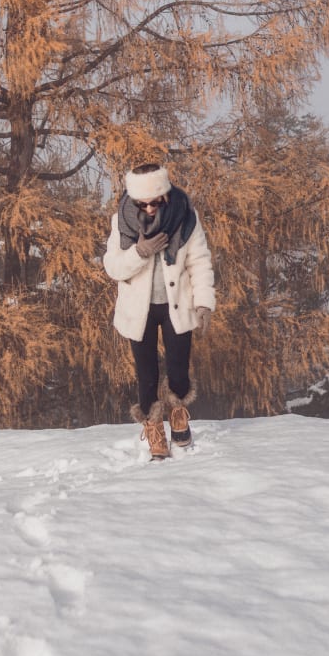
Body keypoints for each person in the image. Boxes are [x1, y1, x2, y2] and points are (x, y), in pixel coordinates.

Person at [103, 163, 215, 459]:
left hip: (177, 304)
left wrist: (204, 302)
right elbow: (113, 267)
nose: (150, 208)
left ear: (165, 195)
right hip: (138, 310)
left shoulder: (186, 217)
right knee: (146, 371)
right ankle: (153, 425)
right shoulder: (122, 221)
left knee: (178, 367)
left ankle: (178, 412)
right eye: (144, 203)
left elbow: (200, 261)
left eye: (156, 201)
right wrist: (140, 252)